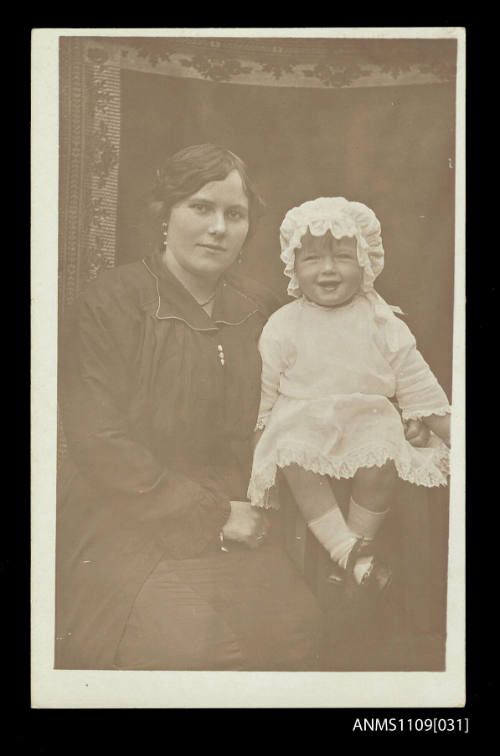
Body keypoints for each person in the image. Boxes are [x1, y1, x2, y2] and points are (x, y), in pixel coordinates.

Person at [56, 144, 327, 671]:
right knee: (191, 648)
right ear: (165, 215)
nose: (218, 228)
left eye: (235, 214)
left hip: (245, 524)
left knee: (299, 632)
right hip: (127, 521)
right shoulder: (111, 302)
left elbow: (316, 392)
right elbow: (98, 439)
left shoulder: (262, 310)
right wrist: (215, 515)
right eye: (200, 207)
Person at [248, 197, 451, 593]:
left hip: (366, 421)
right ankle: (348, 554)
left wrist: (441, 429)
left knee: (381, 456)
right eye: (312, 260)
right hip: (302, 422)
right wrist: (258, 452)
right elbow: (265, 394)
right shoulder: (283, 324)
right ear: (294, 266)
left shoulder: (380, 320)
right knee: (291, 453)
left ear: (365, 262)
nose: (327, 269)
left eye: (342, 256)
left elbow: (416, 382)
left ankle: (354, 550)